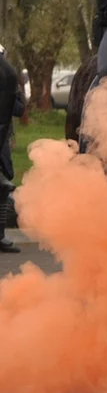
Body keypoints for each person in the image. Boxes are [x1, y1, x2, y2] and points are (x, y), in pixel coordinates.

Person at [0, 47, 25, 254]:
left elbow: (18, 109)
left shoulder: (7, 78)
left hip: (2, 135)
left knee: (3, 186)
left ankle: (0, 236)